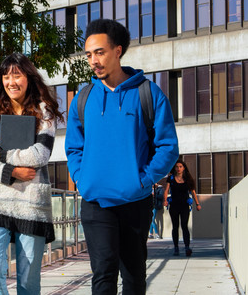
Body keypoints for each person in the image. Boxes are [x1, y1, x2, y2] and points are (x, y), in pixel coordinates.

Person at [65, 18, 179, 294]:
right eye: (89, 54)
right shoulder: (84, 97)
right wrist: (83, 179)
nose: (93, 60)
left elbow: (168, 146)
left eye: (100, 52)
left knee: (134, 278)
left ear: (118, 50)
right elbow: (74, 147)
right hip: (95, 202)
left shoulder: (147, 93)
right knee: (103, 276)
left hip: (135, 202)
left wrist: (143, 180)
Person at [0, 53, 62, 295]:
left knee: (28, 280)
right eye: (5, 76)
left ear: (28, 77)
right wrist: (10, 172)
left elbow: (41, 154)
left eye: (17, 75)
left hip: (31, 202)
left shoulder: (44, 112)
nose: (11, 81)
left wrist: (2, 156)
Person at [163, 159, 201, 256]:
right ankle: (176, 247)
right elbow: (166, 190)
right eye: (177, 167)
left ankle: (187, 247)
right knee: (175, 226)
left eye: (180, 166)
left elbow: (193, 192)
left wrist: (197, 203)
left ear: (184, 168)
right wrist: (165, 200)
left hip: (184, 206)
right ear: (174, 168)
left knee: (184, 226)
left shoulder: (188, 178)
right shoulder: (170, 178)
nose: (178, 168)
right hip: (174, 206)